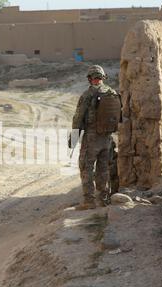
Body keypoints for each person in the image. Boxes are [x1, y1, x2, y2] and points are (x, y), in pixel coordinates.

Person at [71, 65, 120, 210]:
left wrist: (74, 137)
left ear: (89, 79)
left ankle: (89, 201)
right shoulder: (111, 92)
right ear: (103, 77)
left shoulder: (88, 94)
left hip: (92, 137)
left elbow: (78, 117)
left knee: (86, 167)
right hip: (107, 138)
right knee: (103, 168)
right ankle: (103, 199)